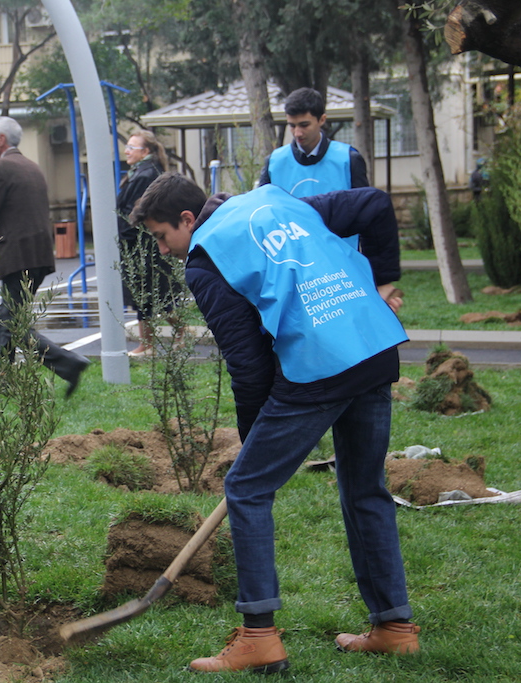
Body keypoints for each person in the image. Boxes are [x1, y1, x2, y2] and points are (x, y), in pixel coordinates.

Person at [130, 173, 417, 673]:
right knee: (364, 488)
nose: (161, 250)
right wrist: (382, 280)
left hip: (319, 364)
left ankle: (259, 636)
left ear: (187, 220)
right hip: (371, 345)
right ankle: (394, 627)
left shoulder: (205, 258)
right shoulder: (275, 200)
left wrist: (253, 439)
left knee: (246, 487)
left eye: (161, 236)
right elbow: (373, 203)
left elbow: (247, 364)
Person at [0, 116, 89, 397]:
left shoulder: (1, 167)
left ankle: (68, 363)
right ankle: (10, 381)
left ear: (1, 140)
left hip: (18, 258)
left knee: (10, 324)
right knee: (9, 323)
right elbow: (19, 212)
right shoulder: (31, 166)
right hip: (37, 255)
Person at [116, 130, 180, 357]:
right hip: (145, 243)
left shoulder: (144, 175)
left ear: (145, 151)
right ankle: (177, 335)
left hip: (141, 245)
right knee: (154, 296)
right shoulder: (143, 172)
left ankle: (149, 345)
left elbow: (133, 212)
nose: (126, 151)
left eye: (132, 147)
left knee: (147, 296)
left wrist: (124, 235)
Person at [258, 88, 369, 199]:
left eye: (304, 125)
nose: (297, 133)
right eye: (292, 125)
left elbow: (364, 211)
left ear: (322, 119)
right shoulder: (274, 162)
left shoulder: (349, 160)